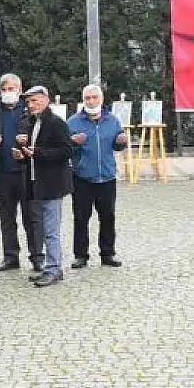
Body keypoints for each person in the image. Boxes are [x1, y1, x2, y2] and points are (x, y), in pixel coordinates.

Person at [0, 74, 40, 273]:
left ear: (20, 90)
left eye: (12, 89)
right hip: (2, 172)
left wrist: (28, 139)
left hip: (25, 172)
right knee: (7, 219)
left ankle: (37, 256)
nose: (8, 93)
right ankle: (10, 256)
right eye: (4, 89)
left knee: (31, 218)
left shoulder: (29, 110)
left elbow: (42, 136)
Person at [17, 86, 73, 288]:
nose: (30, 105)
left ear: (45, 100)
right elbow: (34, 154)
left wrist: (38, 153)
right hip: (36, 183)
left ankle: (54, 269)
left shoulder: (56, 123)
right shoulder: (33, 123)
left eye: (34, 101)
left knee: (51, 230)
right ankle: (51, 266)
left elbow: (67, 150)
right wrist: (23, 155)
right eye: (28, 102)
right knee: (41, 227)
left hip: (52, 184)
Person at [67, 85, 126, 269]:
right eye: (87, 98)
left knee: (108, 217)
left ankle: (108, 253)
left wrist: (120, 142)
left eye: (94, 97)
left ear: (101, 99)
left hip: (107, 177)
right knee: (81, 217)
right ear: (83, 100)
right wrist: (73, 143)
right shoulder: (73, 122)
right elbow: (65, 149)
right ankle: (80, 255)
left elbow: (117, 144)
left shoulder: (113, 121)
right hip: (82, 177)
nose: (91, 101)